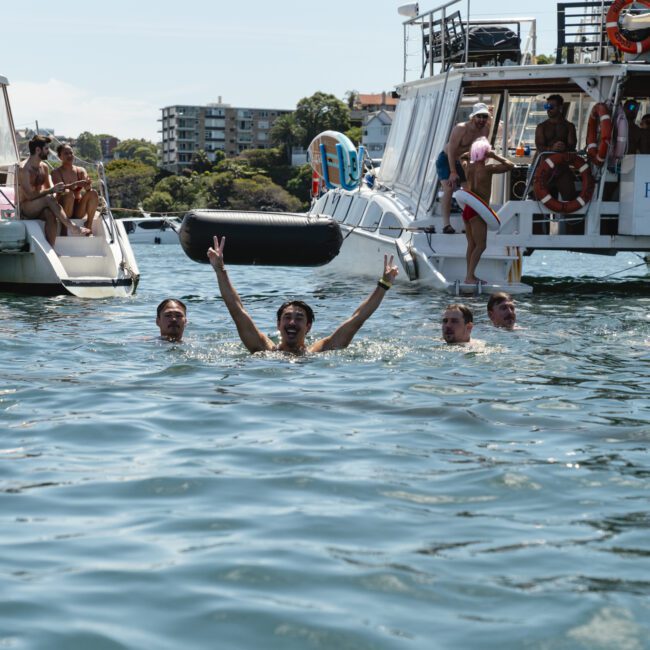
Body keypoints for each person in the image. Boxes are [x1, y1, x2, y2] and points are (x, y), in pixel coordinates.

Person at [207, 236, 398, 354]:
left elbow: (357, 319)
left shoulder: (322, 351)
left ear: (308, 327)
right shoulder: (263, 349)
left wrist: (384, 284)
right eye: (287, 318)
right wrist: (220, 270)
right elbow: (237, 310)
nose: (292, 323)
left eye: (299, 319)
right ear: (278, 325)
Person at [18, 135, 91, 246]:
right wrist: (51, 190)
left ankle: (51, 250)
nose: (49, 152)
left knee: (50, 215)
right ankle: (72, 227)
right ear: (38, 150)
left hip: (41, 205)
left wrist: (66, 188)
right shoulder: (24, 169)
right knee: (48, 198)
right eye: (46, 149)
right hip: (26, 207)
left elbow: (50, 190)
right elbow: (30, 196)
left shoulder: (44, 167)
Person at [461, 137, 514, 284]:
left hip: (467, 209)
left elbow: (462, 157)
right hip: (478, 210)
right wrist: (494, 156)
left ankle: (469, 275)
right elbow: (510, 165)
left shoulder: (467, 166)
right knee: (481, 245)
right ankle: (470, 276)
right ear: (486, 153)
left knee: (471, 244)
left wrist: (472, 153)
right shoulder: (488, 169)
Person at [436, 102, 491, 234]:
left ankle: (470, 223)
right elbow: (451, 151)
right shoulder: (460, 128)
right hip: (446, 159)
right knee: (448, 188)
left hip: (463, 161)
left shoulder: (485, 130)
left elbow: (479, 149)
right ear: (473, 117)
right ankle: (446, 225)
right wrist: (453, 172)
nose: (482, 120)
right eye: (479, 117)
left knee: (470, 192)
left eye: (485, 117)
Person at [534, 94, 578, 203]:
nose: (548, 109)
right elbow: (539, 147)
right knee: (540, 201)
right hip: (545, 169)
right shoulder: (541, 127)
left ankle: (567, 220)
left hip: (562, 168)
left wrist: (565, 147)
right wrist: (552, 148)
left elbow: (572, 147)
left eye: (551, 107)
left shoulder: (569, 127)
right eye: (546, 107)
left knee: (570, 198)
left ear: (560, 108)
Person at [51, 143, 99, 234]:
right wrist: (74, 184)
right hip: (63, 208)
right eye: (66, 153)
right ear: (60, 157)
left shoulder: (80, 170)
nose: (69, 155)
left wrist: (87, 185)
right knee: (68, 193)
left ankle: (89, 224)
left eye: (71, 153)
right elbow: (60, 189)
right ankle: (64, 227)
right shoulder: (56, 172)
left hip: (78, 209)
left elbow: (88, 189)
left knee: (93, 193)